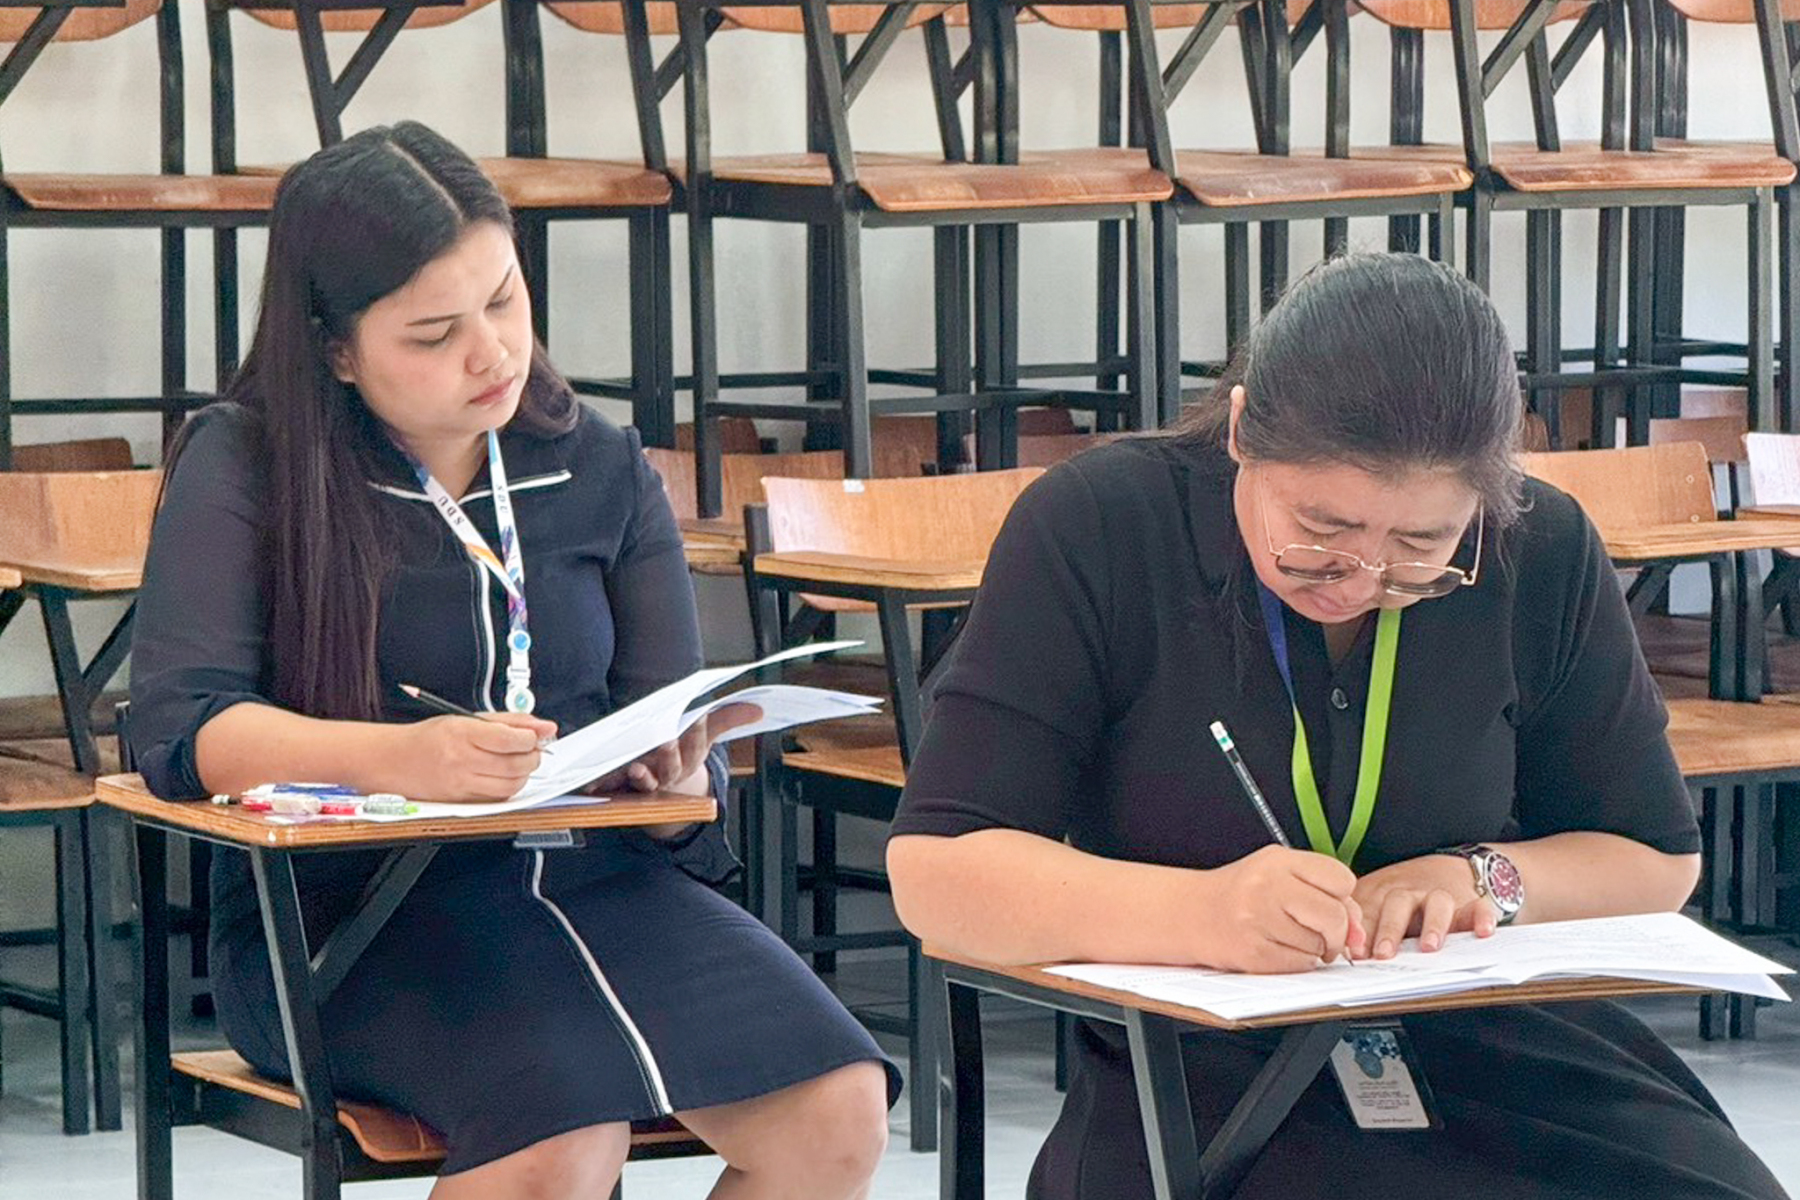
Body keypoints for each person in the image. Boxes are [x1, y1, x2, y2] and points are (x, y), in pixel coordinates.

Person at [886, 253, 1789, 1199]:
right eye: (1321, 531)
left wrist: (1477, 879)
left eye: (1420, 546)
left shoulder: (1542, 545)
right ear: (1242, 432)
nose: (1360, 580)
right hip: (1213, 1056)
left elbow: (1652, 855)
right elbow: (938, 873)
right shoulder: (1102, 526)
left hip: (1489, 1037)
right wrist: (1201, 915)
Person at [130, 121, 896, 1200]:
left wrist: (674, 785)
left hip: (596, 880)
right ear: (336, 350)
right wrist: (402, 760)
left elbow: (674, 727)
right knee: (560, 1136)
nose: (491, 352)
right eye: (434, 333)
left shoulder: (597, 462)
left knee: (836, 1108)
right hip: (348, 919)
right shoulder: (249, 463)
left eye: (504, 300)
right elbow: (181, 730)